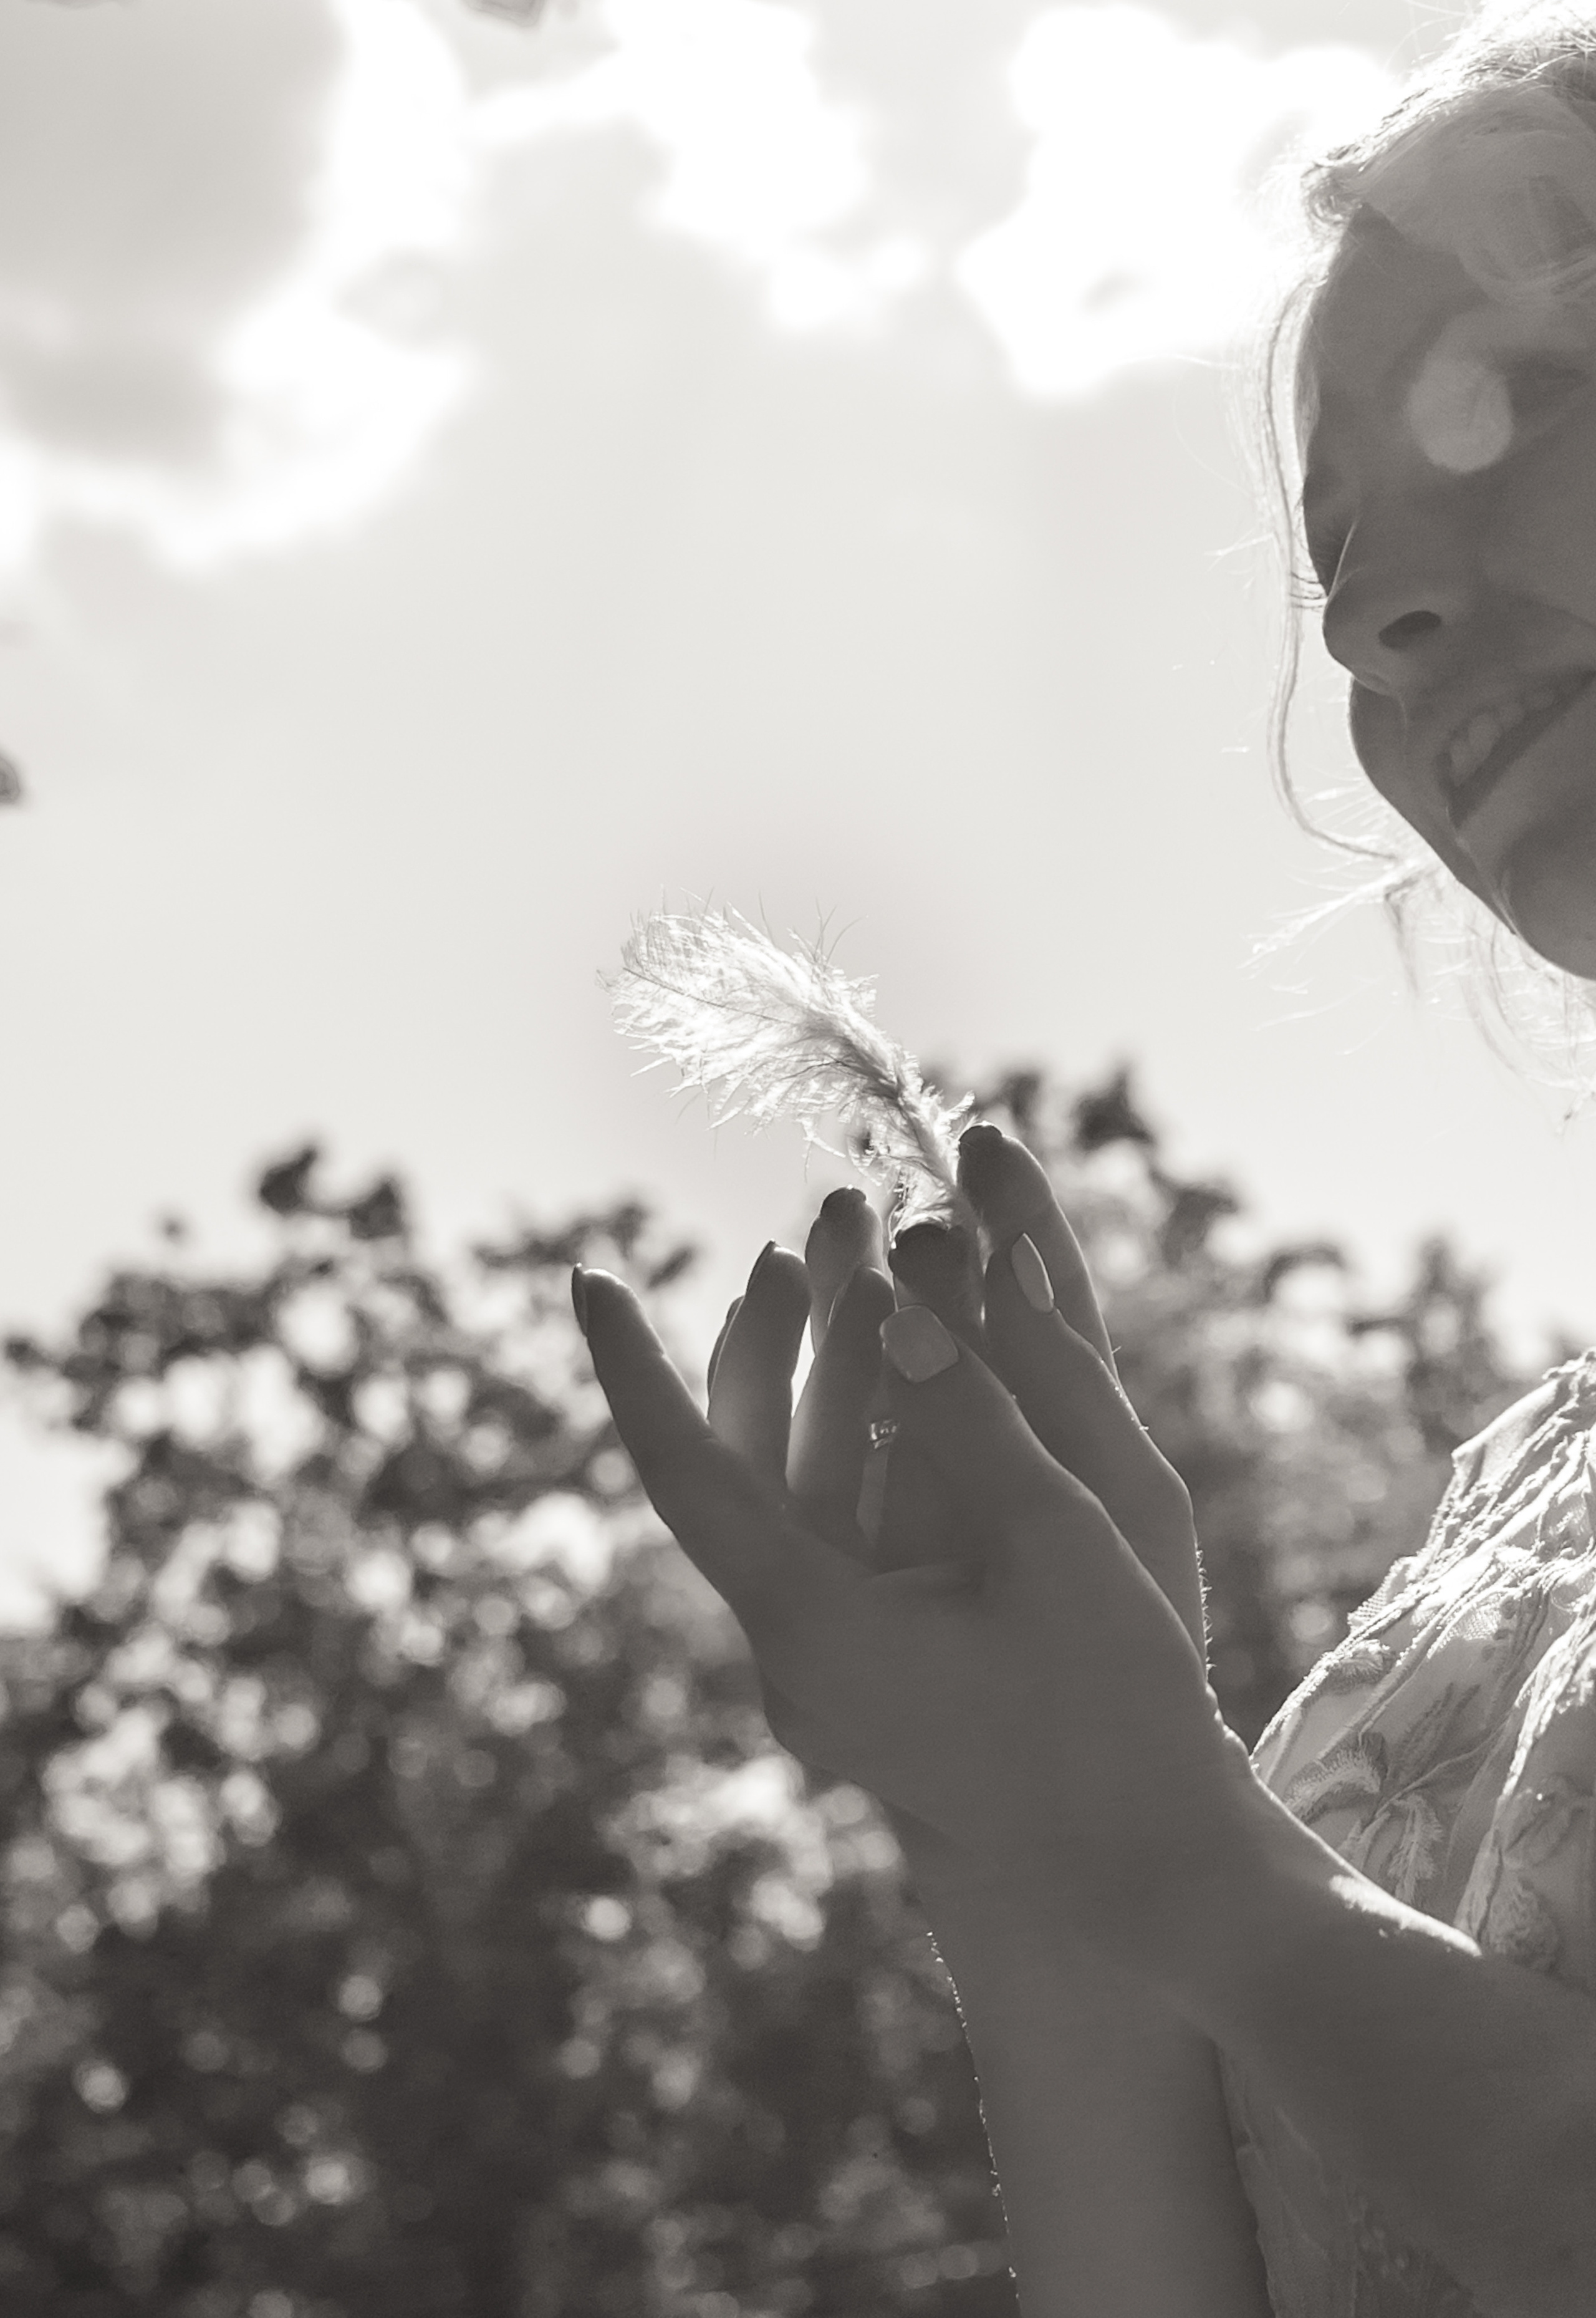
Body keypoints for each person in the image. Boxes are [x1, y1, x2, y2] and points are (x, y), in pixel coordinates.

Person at [574, 7, 1596, 2312]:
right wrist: (1023, 1825)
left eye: (1516, 399)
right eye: (1332, 557)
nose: (1366, 616)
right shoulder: (1514, 1502)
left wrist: (1179, 1853)